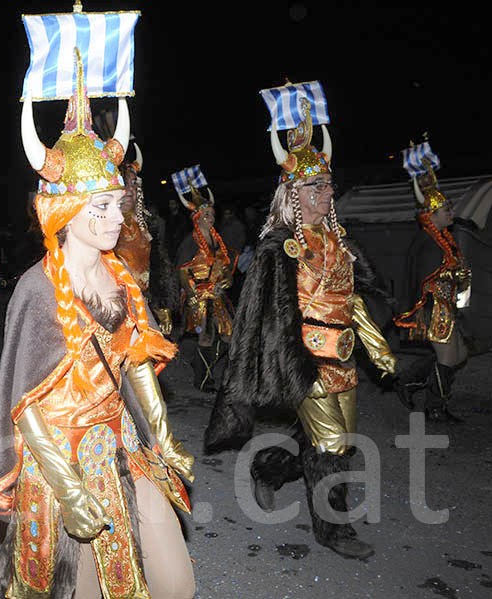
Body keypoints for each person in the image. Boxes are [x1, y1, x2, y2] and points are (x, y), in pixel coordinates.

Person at [0, 48, 196, 599]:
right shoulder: (37, 289)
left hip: (123, 439)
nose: (116, 218)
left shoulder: (123, 275)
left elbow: (137, 359)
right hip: (63, 459)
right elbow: (25, 405)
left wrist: (165, 437)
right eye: (100, 206)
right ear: (61, 209)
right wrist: (69, 489)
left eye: (117, 204)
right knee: (81, 586)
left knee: (176, 582)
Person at [204, 92, 398, 559]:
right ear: (294, 193)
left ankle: (269, 469)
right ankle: (336, 531)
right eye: (316, 187)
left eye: (328, 185)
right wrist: (279, 364)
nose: (326, 193)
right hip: (303, 360)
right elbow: (262, 315)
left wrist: (378, 349)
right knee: (331, 443)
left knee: (337, 444)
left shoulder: (339, 243)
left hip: (344, 355)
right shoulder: (279, 246)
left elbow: (350, 300)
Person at [394, 150, 471, 422]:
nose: (451, 213)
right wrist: (454, 273)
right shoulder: (428, 242)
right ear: (433, 215)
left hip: (446, 305)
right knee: (449, 357)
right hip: (434, 306)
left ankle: (408, 381)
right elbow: (428, 277)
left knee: (459, 354)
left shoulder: (441, 238)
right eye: (446, 210)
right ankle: (435, 407)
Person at [174, 182, 237, 391]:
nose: (210, 218)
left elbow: (226, 263)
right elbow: (182, 271)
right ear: (197, 218)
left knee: (229, 335)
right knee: (205, 335)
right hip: (199, 296)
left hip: (217, 295)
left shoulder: (218, 240)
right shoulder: (189, 242)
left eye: (212, 214)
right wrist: (191, 296)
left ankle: (203, 364)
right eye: (206, 215)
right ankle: (203, 378)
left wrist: (228, 277)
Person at [114, 143, 179, 337]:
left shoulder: (150, 224)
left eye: (132, 184)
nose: (127, 190)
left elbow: (161, 265)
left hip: (148, 307)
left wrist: (163, 305)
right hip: (118, 311)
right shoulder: (101, 226)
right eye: (121, 183)